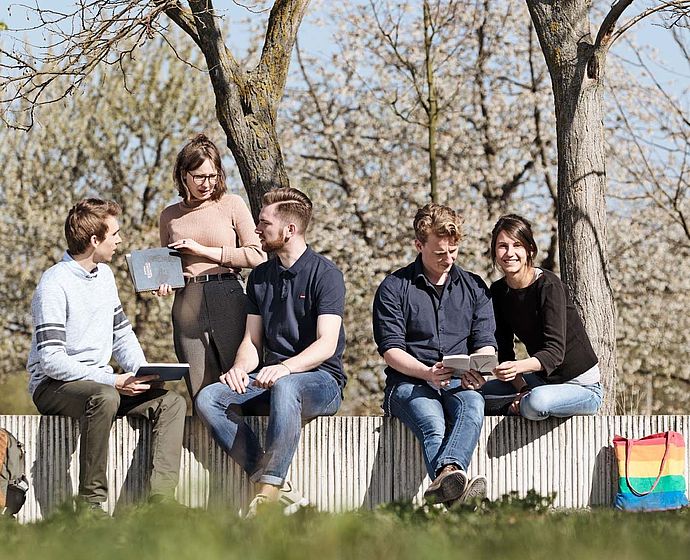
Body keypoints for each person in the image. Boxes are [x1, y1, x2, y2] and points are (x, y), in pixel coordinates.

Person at [195, 187, 346, 516]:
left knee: (286, 385)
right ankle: (268, 479)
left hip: (321, 382)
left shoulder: (327, 275)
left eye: (263, 223)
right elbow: (252, 340)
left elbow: (326, 343)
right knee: (209, 399)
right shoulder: (261, 275)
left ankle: (269, 493)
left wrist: (286, 368)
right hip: (270, 380)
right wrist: (239, 368)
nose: (256, 230)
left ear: (289, 230)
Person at [27, 198, 186, 510]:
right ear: (94, 240)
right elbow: (51, 360)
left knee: (171, 402)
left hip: (99, 384)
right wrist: (113, 381)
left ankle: (162, 502)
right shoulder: (53, 284)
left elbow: (121, 333)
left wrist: (142, 372)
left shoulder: (105, 276)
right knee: (105, 397)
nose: (120, 240)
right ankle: (91, 504)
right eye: (114, 234)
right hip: (53, 386)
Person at [372, 203, 496, 507]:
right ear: (419, 245)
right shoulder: (394, 287)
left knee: (474, 405)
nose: (448, 260)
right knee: (433, 423)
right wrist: (427, 373)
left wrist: (478, 367)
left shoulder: (474, 287)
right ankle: (457, 492)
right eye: (440, 253)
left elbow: (485, 342)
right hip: (408, 384)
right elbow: (391, 350)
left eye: (453, 252)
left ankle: (450, 479)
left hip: (458, 382)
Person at [158, 134, 266, 400]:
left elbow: (257, 256)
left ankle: (248, 441)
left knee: (241, 385)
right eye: (199, 177)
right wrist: (163, 283)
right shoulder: (169, 216)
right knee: (200, 390)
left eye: (212, 176)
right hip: (187, 302)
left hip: (227, 294)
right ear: (184, 175)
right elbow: (168, 265)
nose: (206, 184)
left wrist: (202, 250)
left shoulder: (232, 204)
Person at [479, 214, 603, 419]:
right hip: (541, 382)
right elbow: (504, 350)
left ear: (530, 250)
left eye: (517, 245)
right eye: (502, 246)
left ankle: (516, 406)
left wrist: (518, 368)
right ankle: (520, 401)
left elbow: (554, 353)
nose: (509, 253)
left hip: (581, 386)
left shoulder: (548, 286)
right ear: (494, 251)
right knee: (475, 397)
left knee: (536, 403)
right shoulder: (499, 292)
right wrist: (522, 387)